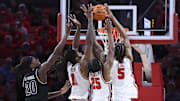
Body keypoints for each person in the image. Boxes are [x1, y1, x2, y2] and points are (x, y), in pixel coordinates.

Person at [13, 21, 73, 101]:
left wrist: (60, 92)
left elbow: (41, 96)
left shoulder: (25, 78)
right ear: (31, 65)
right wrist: (66, 35)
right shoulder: (40, 71)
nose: (37, 59)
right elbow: (56, 53)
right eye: (34, 59)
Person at [104, 3, 138, 101]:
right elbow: (125, 37)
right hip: (127, 97)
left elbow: (110, 50)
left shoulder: (111, 63)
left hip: (116, 97)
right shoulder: (128, 61)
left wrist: (109, 33)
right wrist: (112, 17)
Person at [87, 17, 114, 100]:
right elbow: (111, 50)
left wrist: (90, 21)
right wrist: (109, 32)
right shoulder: (105, 73)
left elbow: (93, 43)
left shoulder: (90, 75)